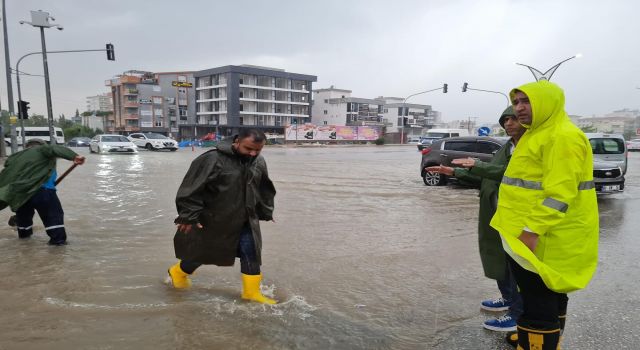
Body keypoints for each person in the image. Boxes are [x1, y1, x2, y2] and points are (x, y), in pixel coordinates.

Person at [490, 80, 598, 349]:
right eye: (516, 102)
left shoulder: (561, 136)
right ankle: (549, 340)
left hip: (542, 237)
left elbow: (560, 194)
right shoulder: (537, 133)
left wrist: (531, 231)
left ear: (547, 103)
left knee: (536, 306)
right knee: (549, 296)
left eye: (527, 101)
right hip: (525, 231)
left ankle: (538, 340)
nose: (520, 108)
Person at [426, 106, 526, 333]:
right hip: (494, 209)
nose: (508, 124)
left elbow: (508, 173)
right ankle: (508, 299)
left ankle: (518, 315)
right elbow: (489, 174)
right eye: (505, 120)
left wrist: (477, 164)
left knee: (515, 264)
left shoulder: (528, 147)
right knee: (497, 257)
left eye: (513, 119)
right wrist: (453, 172)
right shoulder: (508, 146)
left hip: (514, 213)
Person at [166, 128, 278, 305]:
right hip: (213, 218)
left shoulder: (258, 161)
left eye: (258, 150)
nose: (253, 153)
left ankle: (251, 293)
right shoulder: (212, 159)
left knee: (251, 253)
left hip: (246, 218)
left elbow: (263, 187)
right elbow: (190, 188)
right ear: (236, 141)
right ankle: (178, 272)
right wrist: (188, 216)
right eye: (248, 148)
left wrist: (265, 210)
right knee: (202, 254)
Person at [0, 138, 86, 245]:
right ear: (41, 146)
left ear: (27, 147)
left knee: (23, 228)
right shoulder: (42, 150)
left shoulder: (15, 157)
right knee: (53, 219)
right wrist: (74, 156)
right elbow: (54, 148)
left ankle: (24, 244)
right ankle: (57, 247)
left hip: (20, 194)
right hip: (43, 191)